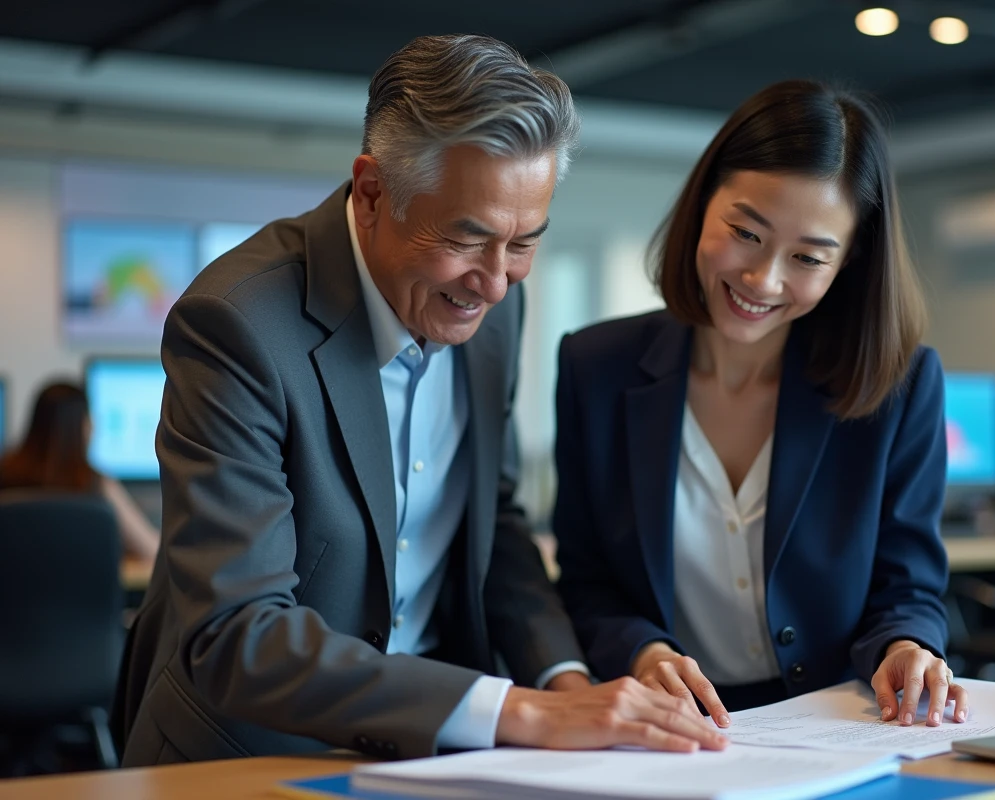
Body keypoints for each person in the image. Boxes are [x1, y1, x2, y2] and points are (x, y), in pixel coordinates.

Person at [116, 34, 726, 766]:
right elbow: (237, 633)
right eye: (466, 240)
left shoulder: (492, 310)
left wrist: (563, 682)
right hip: (251, 754)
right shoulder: (237, 324)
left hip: (438, 755)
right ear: (372, 192)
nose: (496, 284)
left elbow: (490, 525)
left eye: (525, 243)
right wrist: (522, 711)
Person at [553, 80, 969, 729]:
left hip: (837, 723)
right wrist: (641, 650)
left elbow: (906, 584)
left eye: (807, 256)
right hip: (668, 723)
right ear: (703, 202)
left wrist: (906, 646)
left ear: (849, 261)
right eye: (746, 233)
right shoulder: (595, 367)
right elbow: (586, 579)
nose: (762, 279)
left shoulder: (900, 383)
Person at [0, 381, 160, 560]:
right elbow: (151, 549)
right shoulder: (96, 483)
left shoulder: (5, 475)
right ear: (84, 426)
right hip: (86, 588)